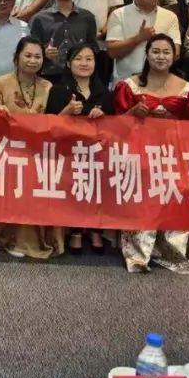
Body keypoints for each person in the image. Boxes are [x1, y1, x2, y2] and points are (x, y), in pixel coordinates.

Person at [113, 34, 189, 274]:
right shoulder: (129, 85)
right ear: (147, 54)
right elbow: (117, 124)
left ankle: (172, 250)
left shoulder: (186, 88)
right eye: (155, 51)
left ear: (174, 56)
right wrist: (134, 112)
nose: (161, 57)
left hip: (173, 151)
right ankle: (138, 253)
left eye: (166, 52)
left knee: (173, 198)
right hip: (139, 149)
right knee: (141, 200)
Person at [0, 37, 63, 260]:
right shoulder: (0, 84)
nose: (32, 60)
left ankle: (44, 240)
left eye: (37, 56)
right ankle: (13, 239)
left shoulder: (48, 87)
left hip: (41, 151)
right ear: (16, 58)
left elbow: (55, 121)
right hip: (9, 150)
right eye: (27, 55)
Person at [45, 43, 111, 254]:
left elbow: (116, 126)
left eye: (89, 59)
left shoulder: (104, 92)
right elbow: (48, 125)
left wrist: (103, 117)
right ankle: (75, 229)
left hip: (98, 153)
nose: (84, 63)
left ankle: (95, 229)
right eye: (78, 58)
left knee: (102, 176)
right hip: (67, 153)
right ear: (68, 63)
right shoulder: (58, 90)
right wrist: (67, 111)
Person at [106, 0, 182, 82]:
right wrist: (138, 39)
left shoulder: (170, 17)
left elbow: (176, 53)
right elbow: (112, 52)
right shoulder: (118, 14)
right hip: (126, 82)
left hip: (160, 82)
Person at [29, 0, 97, 81]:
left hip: (80, 76)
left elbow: (94, 48)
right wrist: (44, 53)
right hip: (48, 77)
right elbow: (31, 52)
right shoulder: (39, 19)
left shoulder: (87, 17)